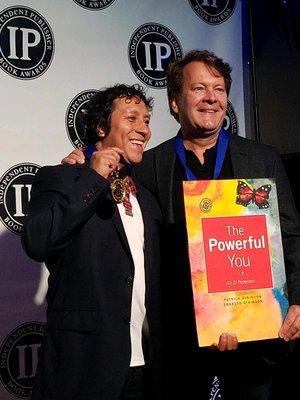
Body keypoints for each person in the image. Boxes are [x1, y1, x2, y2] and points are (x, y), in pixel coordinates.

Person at [61, 50, 300, 399]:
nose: (211, 98)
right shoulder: (148, 165)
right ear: (175, 102)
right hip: (180, 342)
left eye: (219, 89)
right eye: (199, 88)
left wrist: (298, 300)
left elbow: (291, 236)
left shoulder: (263, 158)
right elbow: (103, 165)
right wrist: (81, 158)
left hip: (255, 336)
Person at [21, 84, 164, 400]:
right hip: (84, 368)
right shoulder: (62, 178)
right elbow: (38, 241)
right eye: (132, 118)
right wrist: (93, 178)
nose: (143, 129)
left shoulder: (149, 200)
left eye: (147, 120)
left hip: (146, 370)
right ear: (101, 128)